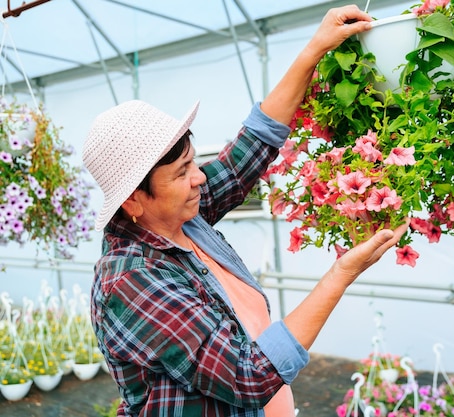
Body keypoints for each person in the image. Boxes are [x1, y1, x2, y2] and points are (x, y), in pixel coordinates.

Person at [82, 5, 407, 417]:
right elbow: (245, 376)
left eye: (195, 163)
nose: (199, 178)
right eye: (182, 172)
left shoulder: (183, 220)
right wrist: (343, 271)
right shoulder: (130, 280)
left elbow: (249, 150)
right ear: (134, 200)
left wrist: (315, 48)